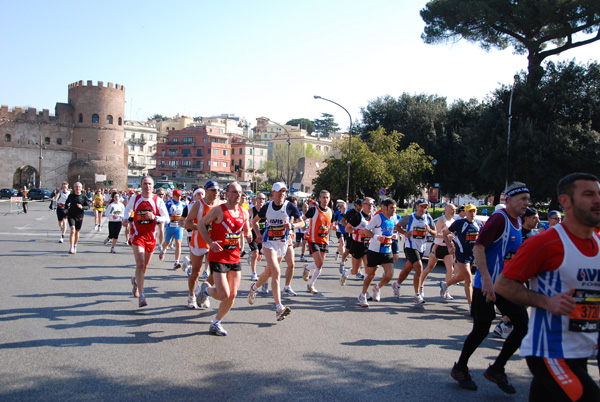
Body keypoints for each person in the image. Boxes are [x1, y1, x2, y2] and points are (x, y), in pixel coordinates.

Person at [495, 173, 600, 401]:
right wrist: (546, 301)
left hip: (582, 350)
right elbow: (503, 284)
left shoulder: (598, 244)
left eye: (599, 194)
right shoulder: (545, 243)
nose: (597, 200)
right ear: (565, 201)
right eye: (588, 194)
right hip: (550, 352)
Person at [450, 182, 530, 394]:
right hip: (487, 285)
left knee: (522, 324)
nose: (527, 203)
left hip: (506, 286)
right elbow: (478, 247)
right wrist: (485, 279)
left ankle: (497, 368)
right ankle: (460, 368)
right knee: (481, 330)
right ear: (510, 200)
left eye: (528, 199)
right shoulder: (499, 219)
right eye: (523, 199)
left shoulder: (518, 222)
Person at [195, 182, 252, 336]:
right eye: (234, 192)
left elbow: (246, 228)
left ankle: (216, 322)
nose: (238, 194)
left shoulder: (244, 213)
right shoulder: (218, 211)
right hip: (218, 257)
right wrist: (210, 242)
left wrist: (249, 234)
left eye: (240, 192)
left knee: (233, 294)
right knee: (224, 295)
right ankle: (206, 289)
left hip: (234, 257)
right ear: (226, 194)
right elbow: (201, 224)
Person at [248, 182, 303, 321]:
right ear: (273, 193)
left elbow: (302, 223)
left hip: (282, 244)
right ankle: (279, 307)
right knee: (276, 271)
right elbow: (254, 221)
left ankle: (254, 287)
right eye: (279, 191)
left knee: (269, 272)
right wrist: (258, 235)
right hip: (268, 243)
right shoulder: (267, 206)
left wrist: (292, 225)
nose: (282, 194)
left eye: (284, 191)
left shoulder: (290, 206)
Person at [123, 176, 169, 308]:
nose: (147, 186)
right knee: (141, 263)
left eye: (149, 184)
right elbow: (128, 209)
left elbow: (166, 218)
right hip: (137, 236)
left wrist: (154, 217)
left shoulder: (157, 200)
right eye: (145, 183)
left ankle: (136, 281)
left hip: (151, 237)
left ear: (152, 186)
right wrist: (126, 219)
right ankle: (142, 295)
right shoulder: (135, 198)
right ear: (141, 185)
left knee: (145, 266)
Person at [391, 198, 436, 304]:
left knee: (407, 269)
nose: (423, 209)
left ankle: (396, 285)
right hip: (410, 247)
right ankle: (417, 294)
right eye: (421, 206)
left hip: (421, 247)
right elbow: (397, 226)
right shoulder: (409, 217)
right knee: (419, 268)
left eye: (425, 207)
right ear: (416, 207)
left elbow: (435, 232)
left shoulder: (428, 218)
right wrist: (404, 233)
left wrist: (430, 230)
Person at [184, 181, 221, 309]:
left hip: (214, 242)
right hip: (198, 241)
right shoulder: (198, 205)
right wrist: (201, 228)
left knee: (214, 272)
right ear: (206, 191)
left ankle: (204, 293)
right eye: (213, 190)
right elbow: (187, 223)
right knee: (196, 271)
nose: (216, 192)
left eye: (218, 190)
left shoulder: (220, 205)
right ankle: (191, 296)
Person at [358, 198, 398, 307]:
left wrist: (395, 236)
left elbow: (391, 231)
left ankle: (377, 287)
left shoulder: (394, 218)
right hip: (374, 250)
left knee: (390, 274)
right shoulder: (378, 218)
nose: (394, 210)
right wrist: (376, 237)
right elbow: (366, 230)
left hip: (387, 250)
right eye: (391, 208)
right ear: (384, 208)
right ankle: (362, 295)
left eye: (395, 208)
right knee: (371, 275)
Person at [439, 203, 481, 306]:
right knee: (468, 279)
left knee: (461, 276)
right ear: (465, 212)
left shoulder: (478, 224)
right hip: (461, 254)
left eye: (474, 211)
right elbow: (445, 234)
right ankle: (471, 305)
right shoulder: (460, 223)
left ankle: (445, 284)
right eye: (470, 211)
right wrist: (449, 247)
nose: (472, 213)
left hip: (472, 255)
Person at [420, 203, 456, 299]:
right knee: (429, 268)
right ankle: (420, 285)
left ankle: (446, 290)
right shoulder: (441, 220)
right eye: (452, 209)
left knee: (450, 269)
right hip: (438, 246)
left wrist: (452, 239)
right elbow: (435, 234)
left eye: (455, 209)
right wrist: (446, 236)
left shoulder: (453, 221)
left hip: (447, 247)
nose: (454, 211)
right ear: (446, 210)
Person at [302, 190, 334, 294]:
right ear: (319, 198)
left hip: (324, 240)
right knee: (319, 263)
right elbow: (303, 220)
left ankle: (311, 284)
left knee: (320, 265)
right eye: (323, 197)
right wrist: (305, 230)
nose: (325, 199)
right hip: (313, 240)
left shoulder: (330, 211)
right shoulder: (313, 210)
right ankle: (307, 269)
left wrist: (335, 227)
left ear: (329, 199)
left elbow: (331, 225)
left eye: (327, 197)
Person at [340, 198, 374, 285]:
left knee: (368, 270)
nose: (371, 206)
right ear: (363, 205)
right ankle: (346, 273)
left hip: (368, 245)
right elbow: (347, 229)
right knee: (355, 270)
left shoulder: (373, 217)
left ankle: (365, 292)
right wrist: (357, 231)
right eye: (368, 204)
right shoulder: (357, 216)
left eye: (372, 204)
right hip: (357, 245)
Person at [160, 189, 185, 270]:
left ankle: (176, 262)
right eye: (177, 196)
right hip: (170, 226)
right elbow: (164, 214)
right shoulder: (169, 203)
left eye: (180, 196)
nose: (178, 197)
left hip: (179, 227)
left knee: (178, 243)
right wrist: (171, 214)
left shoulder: (183, 204)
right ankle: (163, 250)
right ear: (173, 196)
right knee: (167, 242)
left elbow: (186, 215)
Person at [64, 182, 91, 254]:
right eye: (76, 187)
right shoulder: (71, 196)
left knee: (77, 231)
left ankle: (75, 245)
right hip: (71, 214)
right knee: (72, 230)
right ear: (74, 188)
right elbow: (66, 203)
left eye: (79, 187)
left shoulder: (83, 196)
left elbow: (88, 206)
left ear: (81, 188)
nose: (78, 188)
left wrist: (82, 207)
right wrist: (66, 208)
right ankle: (71, 246)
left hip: (79, 216)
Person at [248, 192, 267, 282]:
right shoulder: (251, 210)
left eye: (263, 199)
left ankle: (253, 255)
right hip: (253, 234)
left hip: (263, 236)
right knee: (255, 252)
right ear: (256, 200)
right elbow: (246, 222)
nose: (261, 201)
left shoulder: (267, 211)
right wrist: (248, 228)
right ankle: (254, 273)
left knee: (260, 256)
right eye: (259, 198)